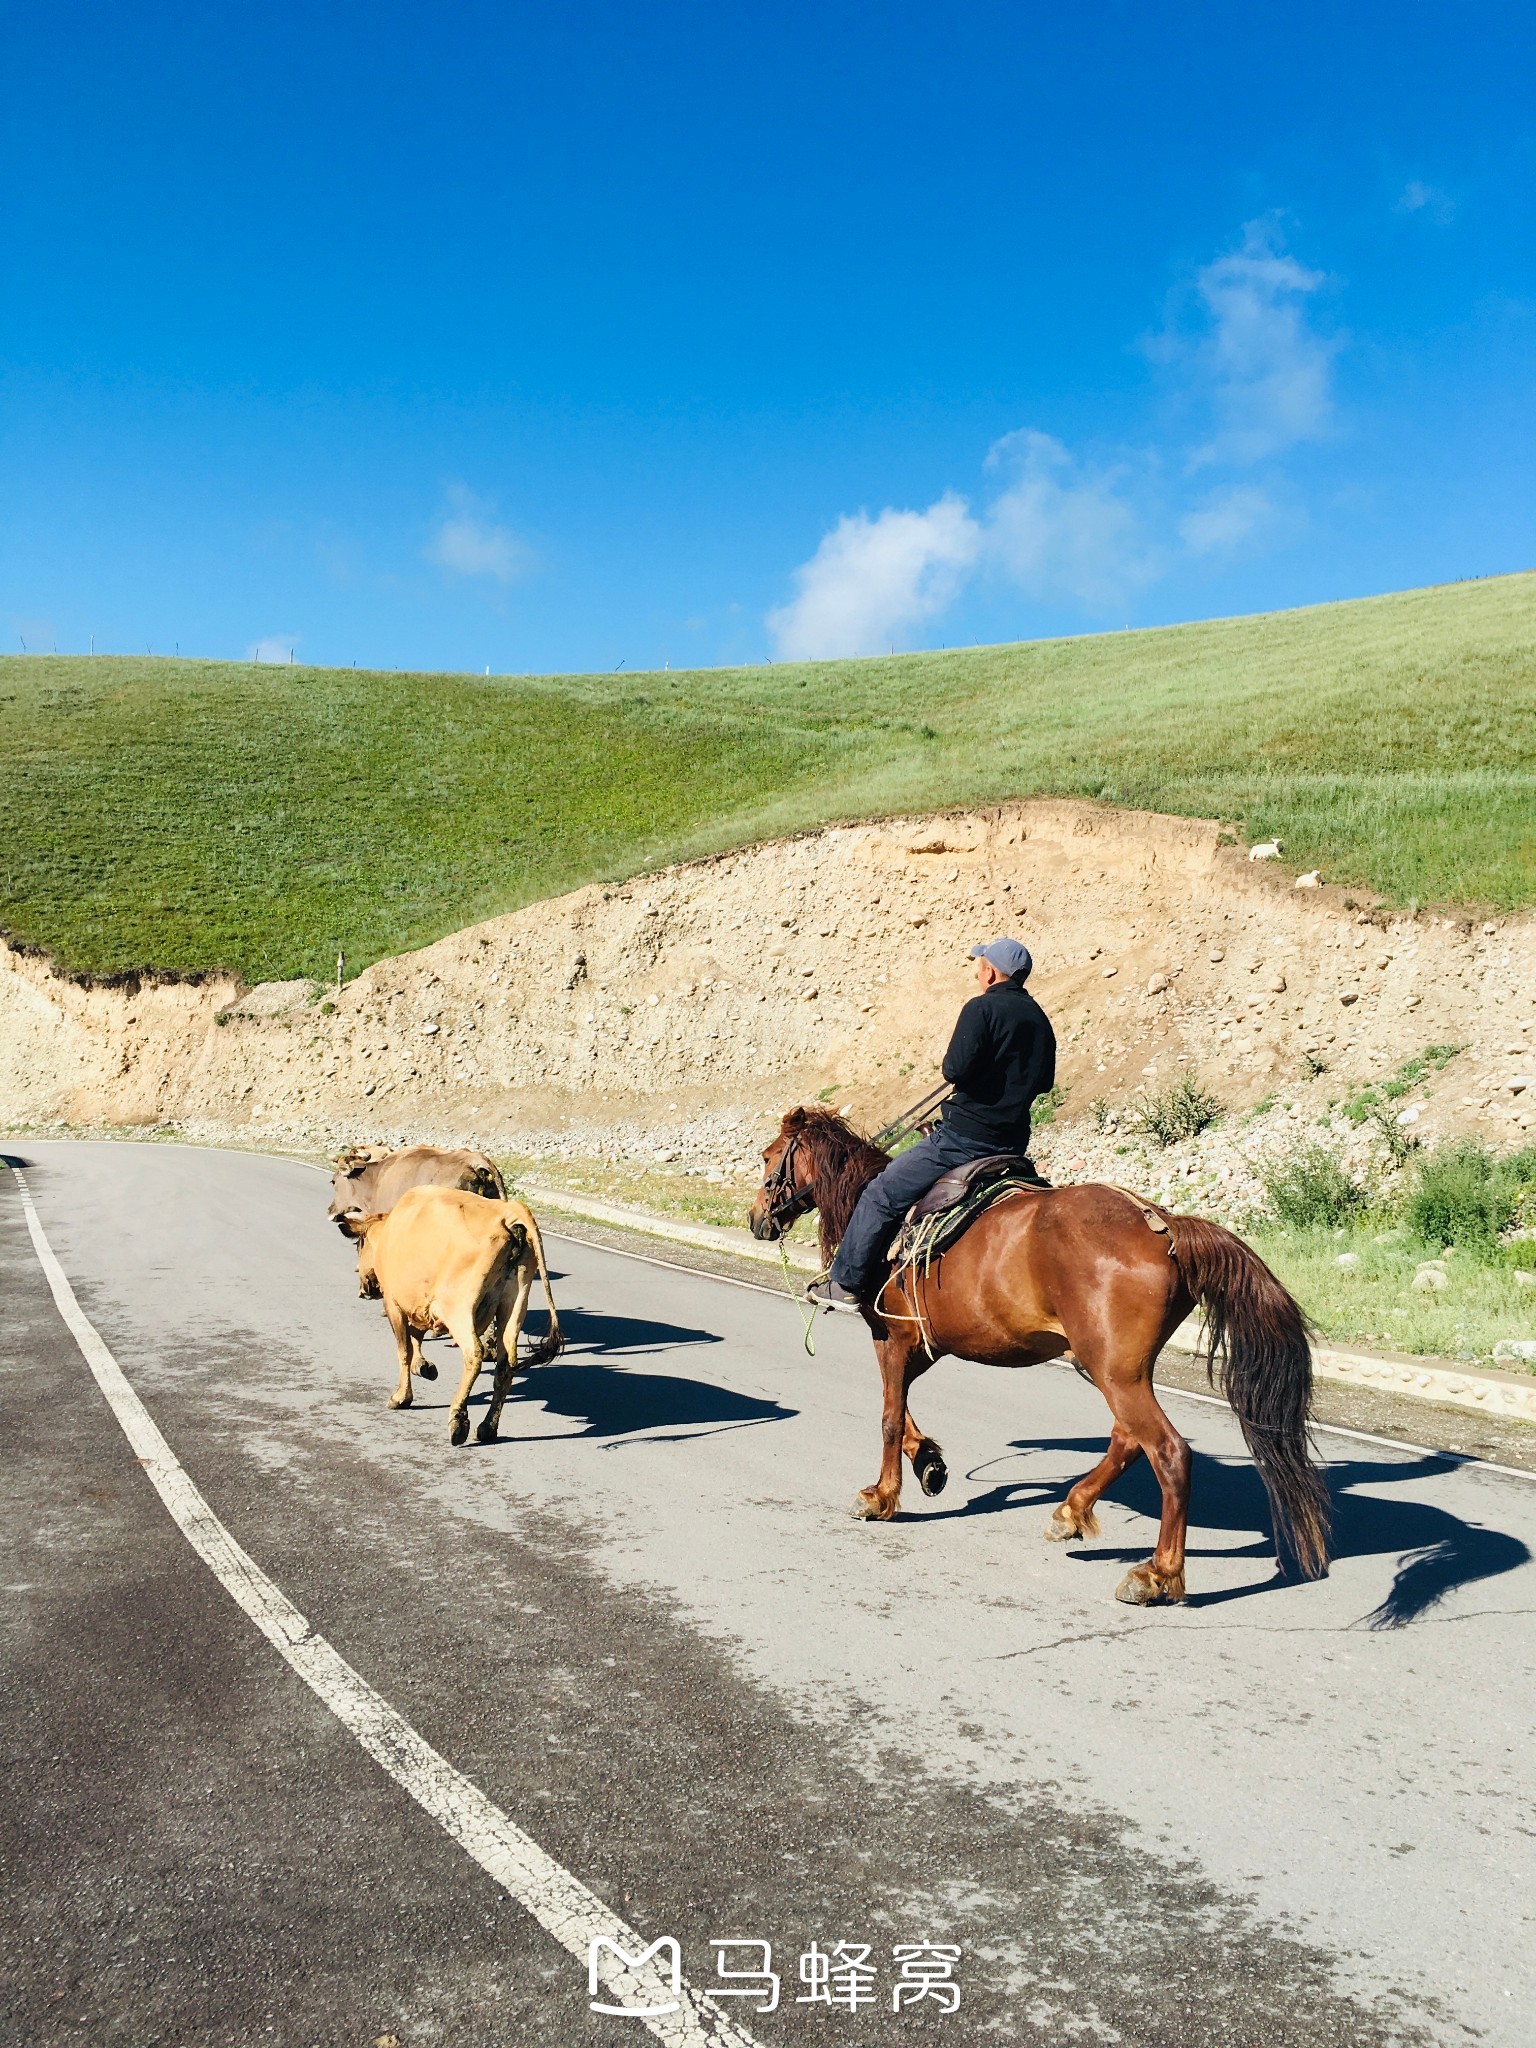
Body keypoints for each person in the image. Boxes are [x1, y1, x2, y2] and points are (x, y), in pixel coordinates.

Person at [810, 937, 1056, 1307]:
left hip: (964, 1138)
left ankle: (845, 1283)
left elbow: (954, 1069)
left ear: (990, 972)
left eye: (979, 964)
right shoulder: (1039, 1018)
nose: (977, 970)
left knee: (880, 1193)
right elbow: (1043, 1083)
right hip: (1014, 1141)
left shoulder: (981, 1009)